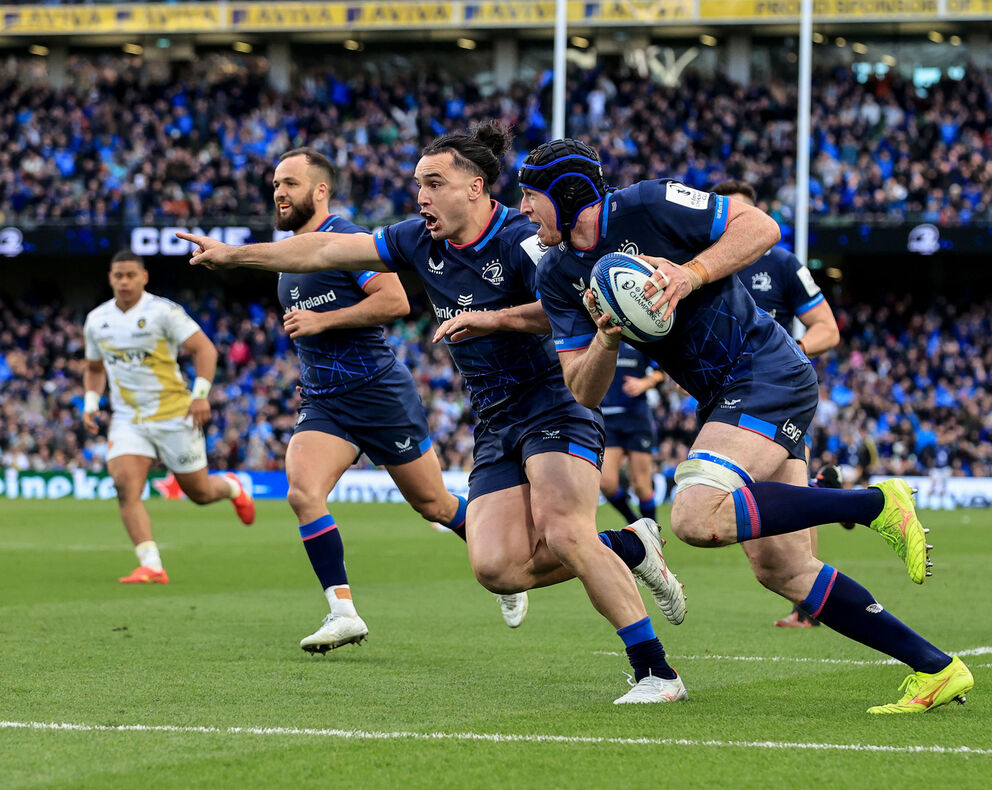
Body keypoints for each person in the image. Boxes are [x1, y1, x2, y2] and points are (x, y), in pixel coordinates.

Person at [179, 123, 688, 704]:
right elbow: (321, 247)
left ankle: (655, 672)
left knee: (565, 530)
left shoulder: (522, 240)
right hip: (494, 419)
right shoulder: (420, 239)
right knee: (496, 568)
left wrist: (494, 319)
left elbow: (571, 310)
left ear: (475, 188)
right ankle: (629, 546)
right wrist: (233, 254)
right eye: (417, 184)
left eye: (433, 183)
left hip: (555, 401)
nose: (420, 196)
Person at [522, 138, 973, 714]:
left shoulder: (649, 203)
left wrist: (688, 275)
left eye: (532, 197)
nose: (527, 212)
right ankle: (937, 669)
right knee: (783, 568)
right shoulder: (558, 275)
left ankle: (871, 504)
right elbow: (583, 388)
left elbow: (762, 226)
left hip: (767, 369)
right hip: (722, 395)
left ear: (565, 194)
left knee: (693, 515)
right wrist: (607, 337)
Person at [266, 147, 528, 653]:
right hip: (324, 400)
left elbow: (394, 300)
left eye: (290, 183)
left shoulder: (344, 241)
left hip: (378, 393)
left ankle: (506, 568)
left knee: (432, 504)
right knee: (302, 492)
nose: (279, 192)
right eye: (276, 183)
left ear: (320, 190)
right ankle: (342, 612)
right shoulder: (289, 257)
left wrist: (323, 320)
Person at [82, 250, 256, 584]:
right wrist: (91, 402)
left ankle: (232, 488)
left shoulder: (163, 312)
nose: (124, 281)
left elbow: (205, 349)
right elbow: (93, 368)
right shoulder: (96, 320)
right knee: (124, 486)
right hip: (128, 417)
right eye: (118, 275)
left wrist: (200, 395)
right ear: (110, 278)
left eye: (131, 275)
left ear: (144, 277)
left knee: (201, 493)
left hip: (174, 413)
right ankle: (151, 564)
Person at [714, 179, 843, 628]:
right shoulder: (704, 265)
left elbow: (827, 328)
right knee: (776, 492)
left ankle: (807, 606)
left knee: (770, 490)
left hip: (775, 391)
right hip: (723, 397)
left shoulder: (783, 264)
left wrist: (789, 355)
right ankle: (827, 495)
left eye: (741, 216)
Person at [599, 342, 664, 525]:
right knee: (606, 484)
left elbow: (661, 373)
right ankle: (633, 522)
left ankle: (652, 533)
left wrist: (645, 383)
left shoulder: (638, 338)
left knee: (641, 486)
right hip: (608, 419)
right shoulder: (596, 338)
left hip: (637, 417)